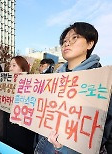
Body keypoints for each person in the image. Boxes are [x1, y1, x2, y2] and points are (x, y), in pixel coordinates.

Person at [34, 22, 112, 154]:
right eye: (64, 40)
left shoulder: (101, 79)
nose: (67, 43)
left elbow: (103, 128)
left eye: (74, 38)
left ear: (90, 44)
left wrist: (64, 147)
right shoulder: (52, 79)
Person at [3, 56, 35, 154]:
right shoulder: (6, 84)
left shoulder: (32, 84)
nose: (11, 68)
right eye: (10, 65)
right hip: (8, 124)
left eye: (14, 65)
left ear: (23, 68)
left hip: (22, 128)